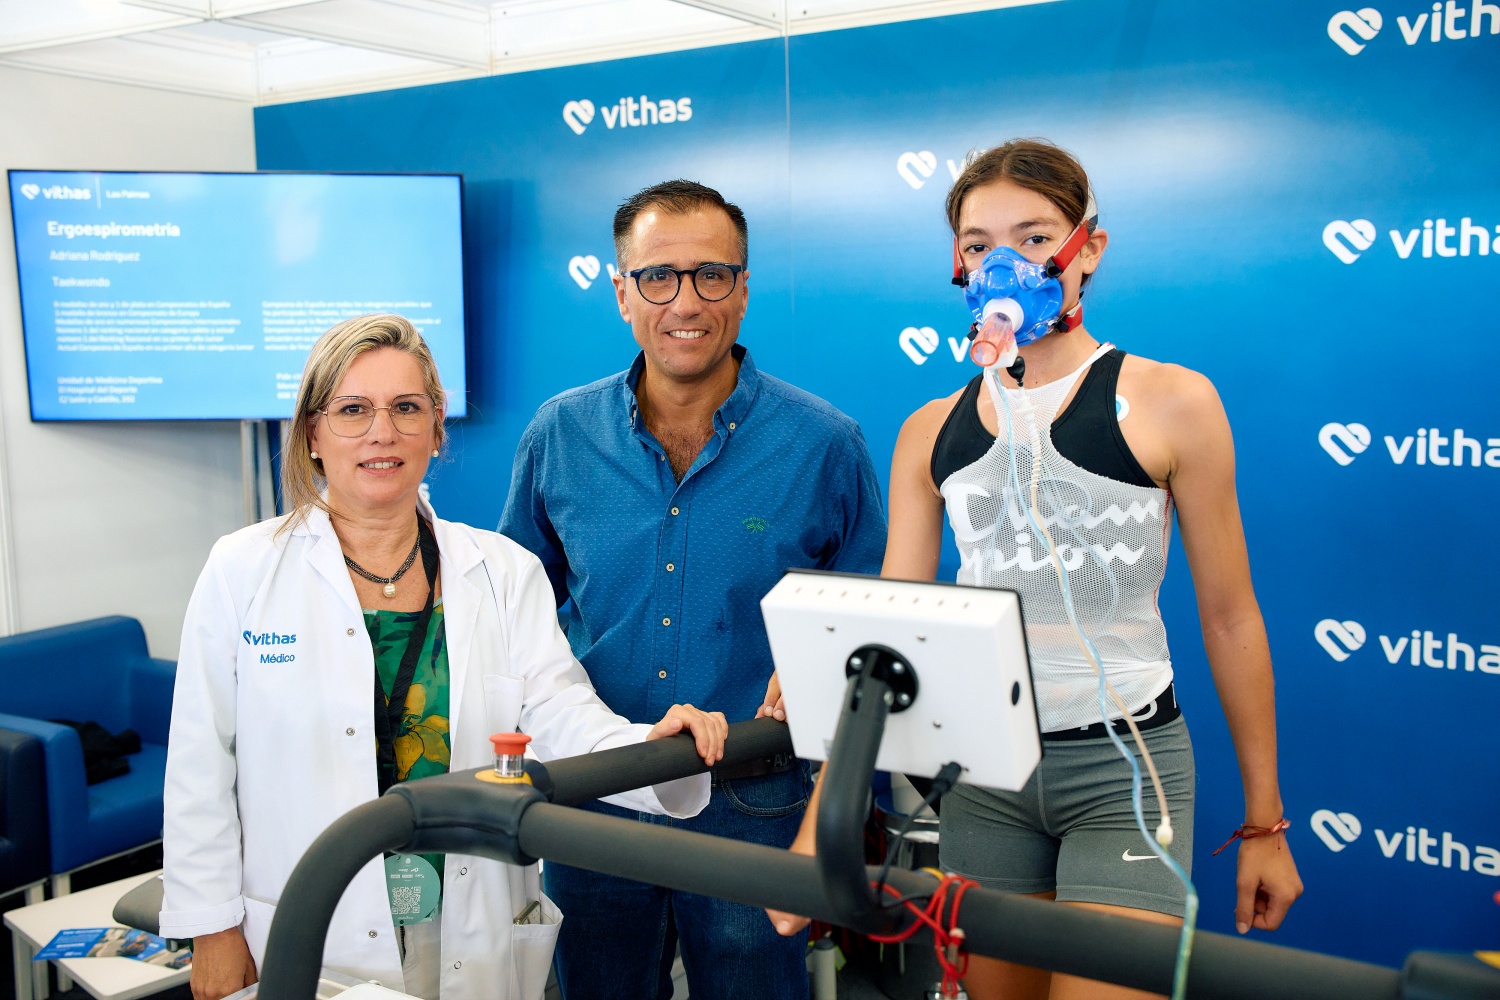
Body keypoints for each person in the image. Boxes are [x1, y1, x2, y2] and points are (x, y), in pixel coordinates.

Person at [767, 139, 1303, 1000]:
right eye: (979, 244)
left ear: (1088, 248)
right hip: (987, 778)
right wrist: (817, 830)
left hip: (1126, 768)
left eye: (1034, 237)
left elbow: (1231, 616)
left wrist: (1265, 821)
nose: (1002, 265)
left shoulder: (1173, 402)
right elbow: (885, 645)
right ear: (957, 263)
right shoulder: (929, 432)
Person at [161, 314, 729, 1000]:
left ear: (436, 429)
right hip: (313, 928)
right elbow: (200, 764)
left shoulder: (501, 570)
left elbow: (558, 713)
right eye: (352, 410)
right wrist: (211, 929)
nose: (382, 432)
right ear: (312, 434)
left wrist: (649, 750)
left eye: (406, 408)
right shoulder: (244, 570)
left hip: (468, 926)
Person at [499, 179, 886, 1000]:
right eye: (658, 277)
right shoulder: (559, 435)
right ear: (622, 293)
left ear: (743, 291)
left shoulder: (825, 445)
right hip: (596, 796)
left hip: (757, 802)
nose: (686, 301)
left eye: (712, 275)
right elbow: (512, 621)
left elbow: (869, 640)